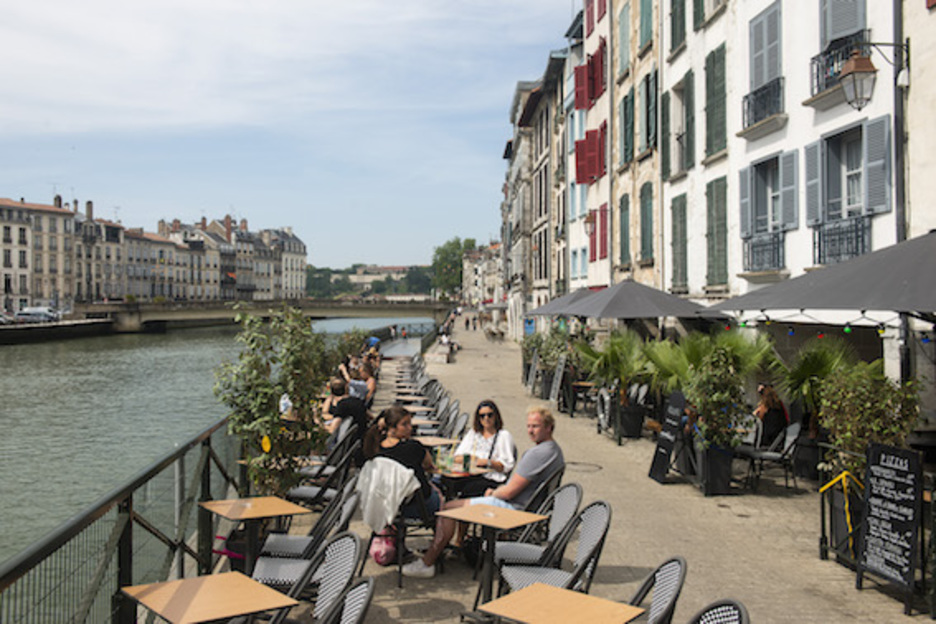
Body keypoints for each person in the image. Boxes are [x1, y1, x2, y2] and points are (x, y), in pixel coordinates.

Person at [402, 406, 564, 578]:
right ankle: (448, 548)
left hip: (514, 508)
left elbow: (509, 492)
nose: (530, 431)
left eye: (535, 426)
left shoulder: (537, 454)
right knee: (463, 494)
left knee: (447, 509)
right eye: (529, 426)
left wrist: (492, 493)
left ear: (549, 427)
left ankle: (428, 562)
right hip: (528, 506)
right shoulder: (553, 450)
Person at [363, 406, 442, 521]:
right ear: (392, 428)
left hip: (385, 506)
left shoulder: (375, 449)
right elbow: (429, 465)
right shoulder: (413, 447)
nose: (410, 428)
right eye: (404, 424)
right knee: (441, 499)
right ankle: (440, 538)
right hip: (417, 506)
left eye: (410, 423)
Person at [447, 400, 516, 498]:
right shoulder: (474, 433)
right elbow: (457, 457)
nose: (486, 418)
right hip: (471, 474)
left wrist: (487, 462)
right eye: (482, 416)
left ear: (496, 416)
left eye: (490, 415)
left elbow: (505, 467)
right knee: (447, 481)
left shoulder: (503, 436)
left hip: (491, 478)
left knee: (469, 489)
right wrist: (471, 459)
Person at [318, 377, 369, 465]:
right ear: (346, 388)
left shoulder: (342, 405)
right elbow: (369, 416)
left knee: (315, 444)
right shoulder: (358, 402)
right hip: (358, 441)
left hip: (342, 447)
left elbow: (332, 430)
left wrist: (318, 424)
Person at [754, 383, 788, 449]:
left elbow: (756, 417)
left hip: (767, 442)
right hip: (779, 441)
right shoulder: (779, 406)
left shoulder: (765, 407)